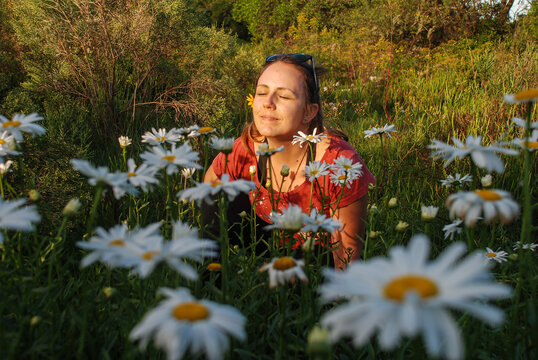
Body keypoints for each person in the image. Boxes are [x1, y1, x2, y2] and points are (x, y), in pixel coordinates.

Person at [204, 54, 375, 269]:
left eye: (283, 96)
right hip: (260, 246)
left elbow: (347, 253)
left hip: (313, 260)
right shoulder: (243, 149)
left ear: (309, 112)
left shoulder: (340, 164)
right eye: (261, 92)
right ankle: (212, 279)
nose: (268, 103)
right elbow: (208, 188)